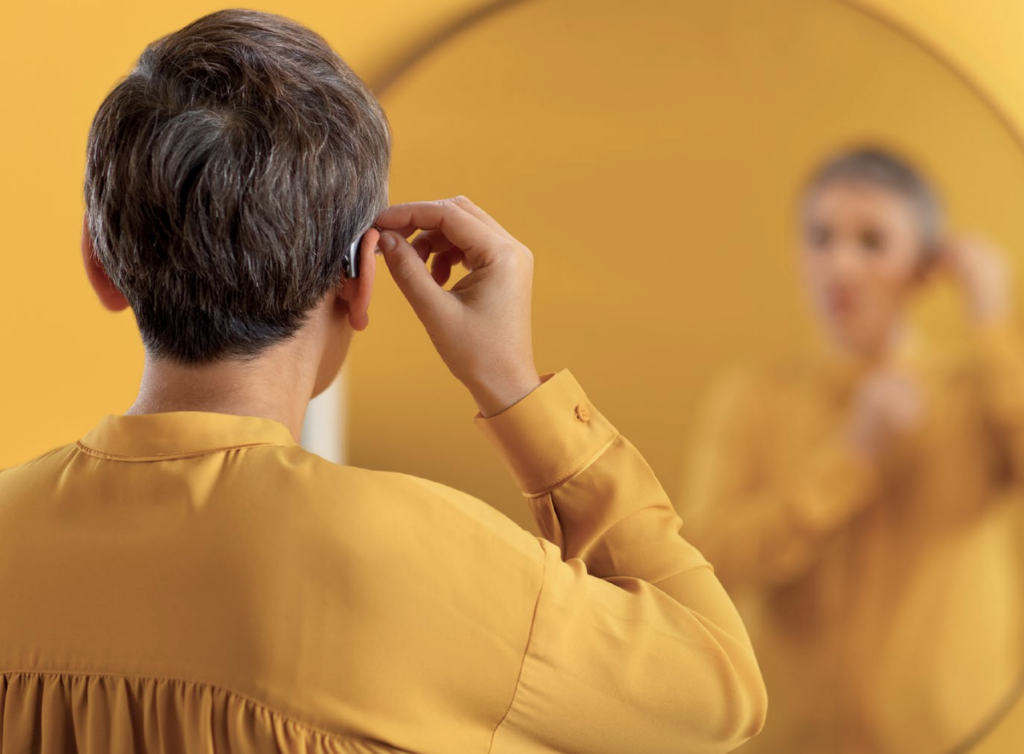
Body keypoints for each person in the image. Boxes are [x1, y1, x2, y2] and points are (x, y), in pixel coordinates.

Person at [0, 9, 766, 753]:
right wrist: (512, 384)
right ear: (362, 280)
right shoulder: (408, 562)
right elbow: (717, 694)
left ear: (100, 266)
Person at [682, 148, 1024, 754]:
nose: (839, 264)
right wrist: (851, 459)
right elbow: (706, 564)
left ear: (923, 267)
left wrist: (992, 321)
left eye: (871, 241)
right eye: (819, 237)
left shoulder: (977, 396)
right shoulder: (751, 398)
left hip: (955, 737)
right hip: (783, 738)